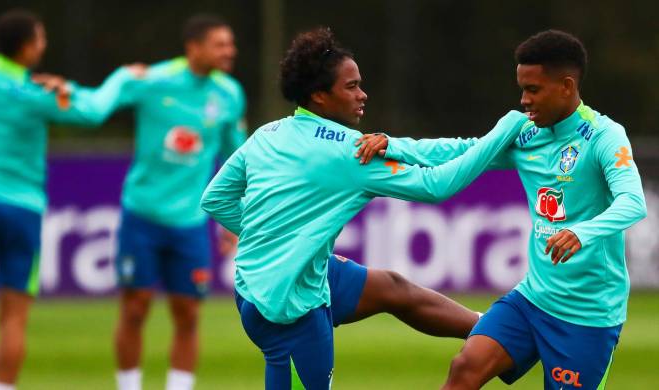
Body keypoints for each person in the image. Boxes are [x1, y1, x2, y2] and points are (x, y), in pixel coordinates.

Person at [201, 27, 527, 389]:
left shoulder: (269, 133)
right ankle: (506, 338)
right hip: (284, 305)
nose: (363, 94)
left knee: (391, 288)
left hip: (255, 286)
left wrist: (274, 240)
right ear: (319, 96)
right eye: (351, 86)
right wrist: (508, 126)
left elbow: (215, 198)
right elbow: (437, 185)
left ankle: (499, 336)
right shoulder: (350, 152)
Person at [356, 30, 647, 390]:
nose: (524, 100)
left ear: (567, 86)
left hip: (588, 315)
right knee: (465, 367)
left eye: (534, 90)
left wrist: (580, 231)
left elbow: (633, 202)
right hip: (533, 299)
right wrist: (396, 145)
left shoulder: (604, 136)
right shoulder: (527, 134)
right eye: (522, 89)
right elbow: (464, 150)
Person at [0, 9, 131, 390]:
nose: (44, 45)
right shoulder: (40, 94)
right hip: (23, 208)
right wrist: (109, 81)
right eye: (40, 39)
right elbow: (95, 111)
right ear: (26, 47)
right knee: (14, 317)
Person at [110, 14, 246, 390]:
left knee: (187, 314)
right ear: (194, 48)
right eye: (220, 44)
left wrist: (231, 220)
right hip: (142, 214)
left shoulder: (230, 94)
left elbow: (237, 160)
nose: (229, 51)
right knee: (135, 308)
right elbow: (99, 103)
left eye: (230, 44)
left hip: (189, 222)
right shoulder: (153, 81)